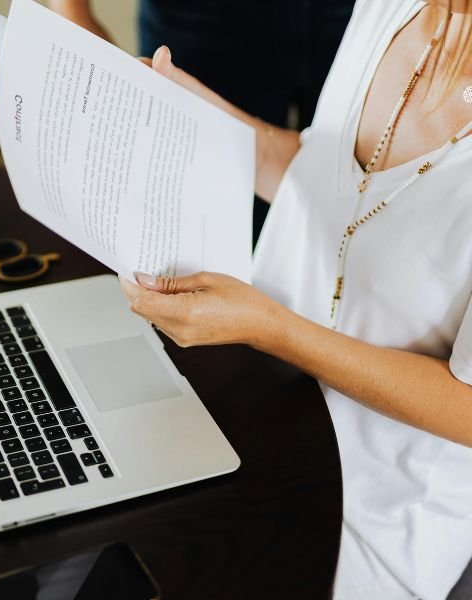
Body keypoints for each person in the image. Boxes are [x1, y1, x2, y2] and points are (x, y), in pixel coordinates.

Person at [118, 0, 472, 598]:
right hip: (249, 415)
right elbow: (319, 171)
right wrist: (190, 113)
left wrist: (272, 330)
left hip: (367, 516)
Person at [48, 0, 355, 243]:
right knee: (204, 228)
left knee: (352, 202)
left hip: (357, 11)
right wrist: (72, 14)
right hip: (198, 16)